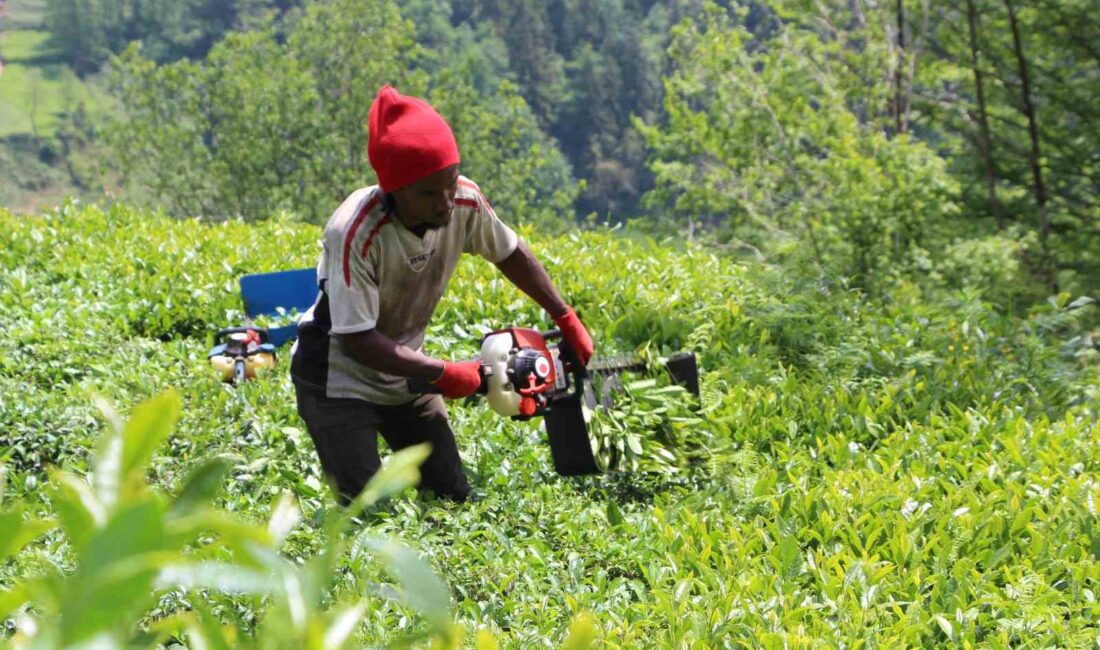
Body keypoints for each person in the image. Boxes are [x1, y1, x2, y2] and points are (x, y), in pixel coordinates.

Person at [291, 86, 594, 504]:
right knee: (365, 510)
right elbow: (355, 338)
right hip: (337, 381)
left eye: (449, 183)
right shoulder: (356, 232)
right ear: (394, 190)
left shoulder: (463, 200)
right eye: (429, 193)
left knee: (449, 495)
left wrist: (565, 316)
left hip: (406, 374)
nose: (446, 202)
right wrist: (443, 373)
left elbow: (510, 253)